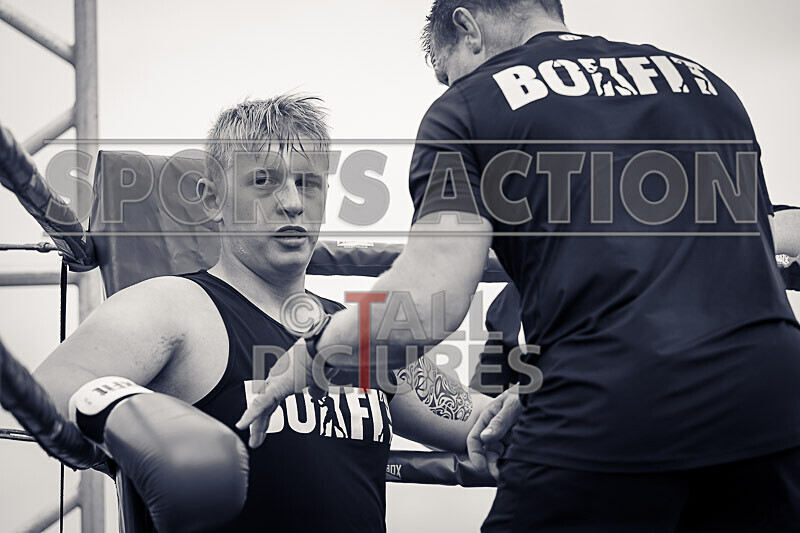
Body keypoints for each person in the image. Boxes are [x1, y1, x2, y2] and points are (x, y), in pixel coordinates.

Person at [239, 2, 800, 531]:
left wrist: (306, 357)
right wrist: (534, 393)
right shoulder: (705, 86)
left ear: (468, 28)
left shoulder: (470, 107)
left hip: (608, 406)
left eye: (445, 70)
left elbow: (429, 299)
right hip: (773, 403)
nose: (450, 85)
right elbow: (738, 263)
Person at [32, 94, 497, 532]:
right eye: (264, 181)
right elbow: (54, 382)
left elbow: (487, 422)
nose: (292, 201)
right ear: (213, 199)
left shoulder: (358, 336)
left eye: (307, 182)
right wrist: (136, 416)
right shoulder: (179, 306)